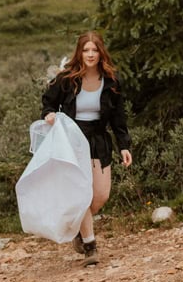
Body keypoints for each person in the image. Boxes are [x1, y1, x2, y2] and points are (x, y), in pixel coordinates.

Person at [41, 31, 132, 266]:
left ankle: (79, 228)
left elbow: (118, 117)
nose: (90, 54)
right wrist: (49, 114)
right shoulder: (67, 79)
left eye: (94, 50)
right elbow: (48, 101)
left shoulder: (111, 81)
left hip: (99, 140)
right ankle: (90, 246)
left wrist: (124, 146)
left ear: (101, 53)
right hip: (72, 139)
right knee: (81, 194)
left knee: (100, 195)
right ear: (79, 53)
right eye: (86, 50)